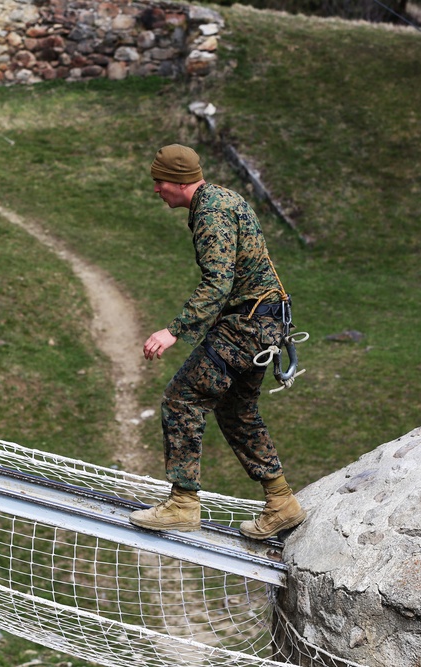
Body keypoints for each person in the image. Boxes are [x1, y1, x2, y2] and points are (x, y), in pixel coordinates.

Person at [129, 144, 307, 541]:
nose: (156, 190)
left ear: (178, 182)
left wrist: (172, 330)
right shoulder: (225, 198)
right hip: (266, 321)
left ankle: (182, 504)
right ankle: (281, 502)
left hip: (246, 323)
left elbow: (217, 283)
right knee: (235, 410)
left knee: (182, 398)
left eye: (159, 182)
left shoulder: (210, 213)